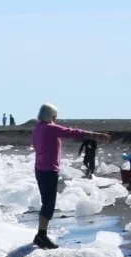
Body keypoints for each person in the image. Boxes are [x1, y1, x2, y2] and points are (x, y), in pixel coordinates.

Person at [31, 103, 110, 248]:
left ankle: (41, 234)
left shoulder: (37, 129)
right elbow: (72, 132)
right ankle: (41, 235)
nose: (55, 119)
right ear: (52, 116)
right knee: (49, 203)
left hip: (40, 168)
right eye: (55, 117)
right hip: (48, 170)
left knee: (46, 202)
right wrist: (96, 135)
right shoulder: (50, 128)